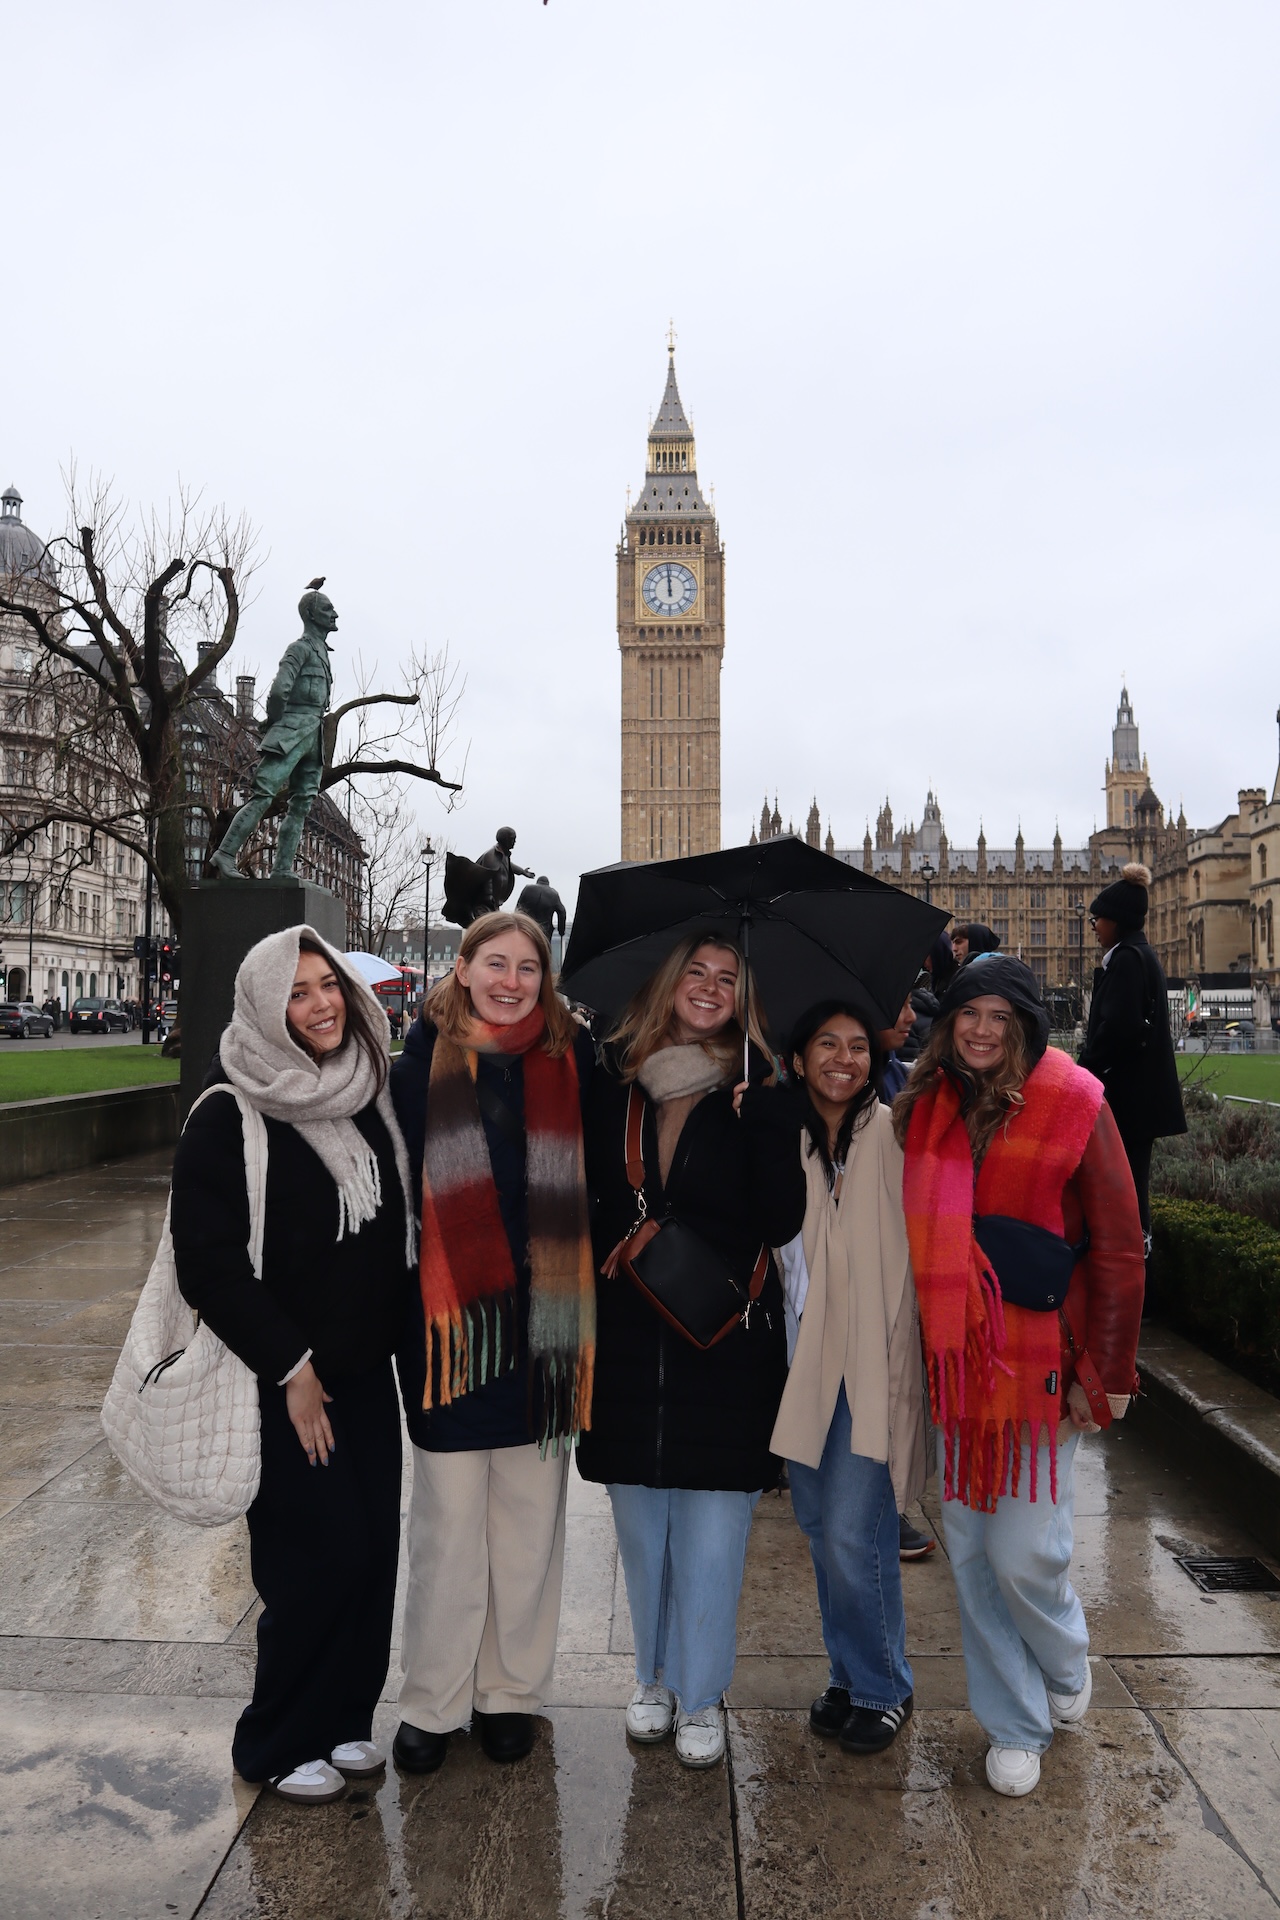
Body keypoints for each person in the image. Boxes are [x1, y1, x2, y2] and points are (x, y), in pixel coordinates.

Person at [171, 928, 417, 1804]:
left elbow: (393, 1241)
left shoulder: (368, 1095)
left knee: (372, 1554)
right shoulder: (229, 1110)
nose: (319, 1005)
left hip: (364, 1374)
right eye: (299, 991)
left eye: (329, 986)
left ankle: (344, 1717)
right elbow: (208, 1263)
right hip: (285, 1380)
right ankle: (275, 1739)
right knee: (317, 1559)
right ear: (264, 1004)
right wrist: (292, 1366)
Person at [894, 954, 1144, 1798]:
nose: (983, 1030)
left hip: (1042, 1369)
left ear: (1029, 1027)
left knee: (1027, 1554)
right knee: (969, 1554)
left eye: (1002, 1017)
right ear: (948, 1022)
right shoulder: (920, 1111)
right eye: (970, 1013)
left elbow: (1115, 1246)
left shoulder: (1077, 1103)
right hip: (957, 1373)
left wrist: (1101, 1373)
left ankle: (1065, 1652)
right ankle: (1014, 1719)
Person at [577, 934, 805, 1768]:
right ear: (670, 986)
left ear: (743, 999)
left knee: (714, 1529)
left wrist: (773, 1122)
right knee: (643, 1530)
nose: (709, 990)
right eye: (697, 975)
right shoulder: (614, 1082)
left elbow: (780, 1221)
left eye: (728, 979)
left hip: (724, 1341)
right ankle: (653, 1676)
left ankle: (702, 1692)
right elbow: (583, 1193)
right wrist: (616, 1237)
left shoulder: (759, 1087)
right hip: (632, 1335)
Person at [391, 911, 595, 1774]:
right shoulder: (414, 1064)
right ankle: (433, 1700)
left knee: (527, 1526)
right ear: (464, 968)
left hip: (546, 1330)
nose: (512, 981)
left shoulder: (576, 1061)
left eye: (528, 968)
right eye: (496, 964)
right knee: (445, 1526)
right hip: (449, 1330)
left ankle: (508, 1692)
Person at [772, 1003, 928, 1756]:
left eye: (859, 1046)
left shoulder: (896, 1135)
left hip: (872, 1362)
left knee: (853, 1533)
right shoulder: (780, 1137)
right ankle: (847, 1671)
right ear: (797, 1058)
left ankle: (883, 1684)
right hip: (801, 1363)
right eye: (826, 1043)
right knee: (817, 1530)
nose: (844, 1058)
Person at [1078, 862, 1186, 1251]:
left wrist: (1083, 1072)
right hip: (1139, 1100)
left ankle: (1137, 1282)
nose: (1093, 926)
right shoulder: (1139, 954)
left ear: (1116, 921)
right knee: (1132, 1190)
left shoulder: (1126, 960)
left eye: (1098, 919)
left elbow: (1118, 1029)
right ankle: (1140, 1281)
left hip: (1129, 1102)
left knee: (1125, 1193)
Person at [515, 875, 568, 944]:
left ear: (537, 882)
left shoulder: (527, 889)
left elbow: (518, 908)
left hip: (527, 926)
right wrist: (561, 930)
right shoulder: (553, 894)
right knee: (543, 951)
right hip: (544, 930)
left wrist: (516, 924)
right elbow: (562, 912)